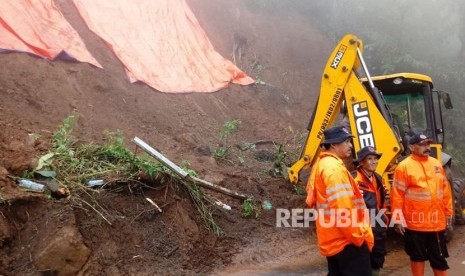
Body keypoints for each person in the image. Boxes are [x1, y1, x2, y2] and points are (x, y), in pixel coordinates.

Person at [306, 125, 374, 276]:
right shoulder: (334, 169)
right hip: (347, 241)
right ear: (334, 144)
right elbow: (343, 209)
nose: (350, 145)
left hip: (333, 239)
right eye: (347, 141)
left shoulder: (322, 165)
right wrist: (358, 238)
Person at [391, 133, 453, 276]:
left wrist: (448, 211)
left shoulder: (436, 164)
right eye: (422, 144)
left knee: (438, 258)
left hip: (436, 223)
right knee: (417, 256)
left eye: (428, 144)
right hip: (415, 223)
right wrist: (398, 219)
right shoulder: (403, 167)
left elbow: (445, 191)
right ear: (412, 147)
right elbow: (397, 195)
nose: (427, 147)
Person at [353, 146, 388, 276]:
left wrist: (384, 219)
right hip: (362, 229)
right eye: (369, 159)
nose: (374, 161)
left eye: (375, 158)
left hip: (377, 228)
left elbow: (382, 202)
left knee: (377, 260)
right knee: (361, 263)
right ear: (361, 162)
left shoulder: (378, 178)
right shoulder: (354, 179)